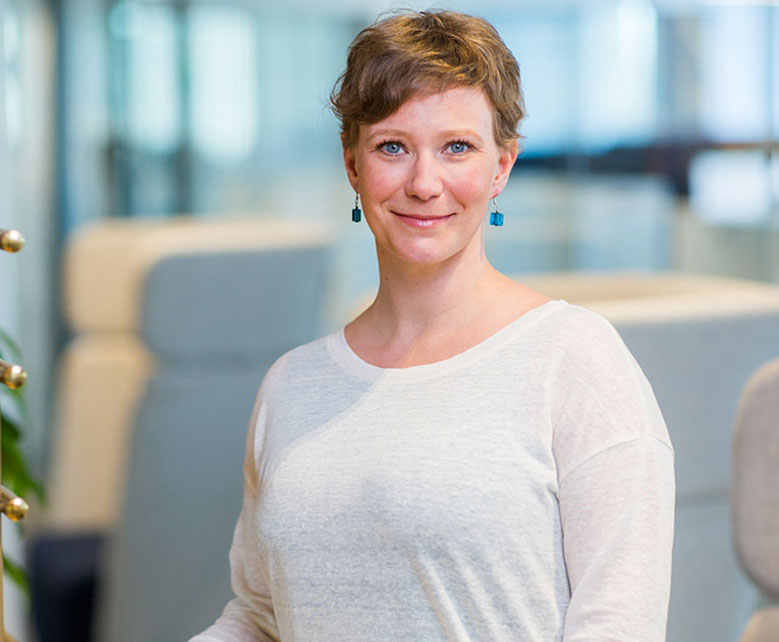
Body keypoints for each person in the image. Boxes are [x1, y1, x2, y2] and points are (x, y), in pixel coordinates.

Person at [191, 10, 674, 641]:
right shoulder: (291, 385)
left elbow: (619, 628)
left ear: (501, 167)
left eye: (457, 148)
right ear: (352, 166)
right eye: (393, 147)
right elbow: (259, 617)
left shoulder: (574, 360)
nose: (424, 183)